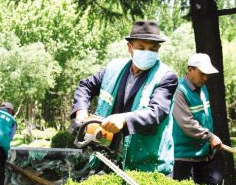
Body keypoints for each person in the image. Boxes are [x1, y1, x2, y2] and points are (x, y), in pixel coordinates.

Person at [71, 20, 178, 174]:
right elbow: (85, 86)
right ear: (130, 48)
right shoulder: (113, 69)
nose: (147, 52)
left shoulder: (166, 77)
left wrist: (124, 120)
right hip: (107, 157)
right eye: (141, 47)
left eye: (153, 49)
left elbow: (156, 113)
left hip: (147, 164)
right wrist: (81, 112)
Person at [171, 53, 223, 185]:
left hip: (204, 154)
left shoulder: (202, 88)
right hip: (184, 156)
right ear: (190, 69)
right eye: (202, 74)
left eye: (207, 74)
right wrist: (210, 136)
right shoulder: (179, 91)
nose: (205, 78)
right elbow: (187, 124)